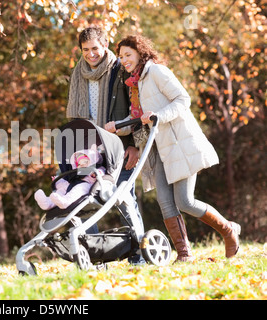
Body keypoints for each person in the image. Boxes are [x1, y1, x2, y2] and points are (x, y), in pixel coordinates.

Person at [115, 34, 240, 261]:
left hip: (179, 143)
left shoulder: (156, 72)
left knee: (185, 201)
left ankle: (228, 230)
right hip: (157, 148)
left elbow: (183, 99)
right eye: (121, 56)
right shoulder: (135, 83)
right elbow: (137, 118)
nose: (124, 59)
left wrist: (159, 116)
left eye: (128, 54)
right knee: (165, 202)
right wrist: (116, 127)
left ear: (140, 52)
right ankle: (184, 254)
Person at [66, 26, 145, 264]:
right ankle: (95, 256)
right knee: (86, 201)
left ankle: (139, 255)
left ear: (106, 44)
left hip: (119, 145)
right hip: (89, 149)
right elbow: (75, 118)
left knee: (123, 198)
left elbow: (135, 109)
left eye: (95, 48)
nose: (91, 54)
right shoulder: (78, 74)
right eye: (85, 49)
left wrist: (134, 145)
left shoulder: (121, 70)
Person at [35, 147, 105, 210]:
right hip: (73, 183)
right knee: (63, 188)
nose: (81, 165)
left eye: (85, 162)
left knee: (77, 189)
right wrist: (57, 180)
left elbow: (101, 173)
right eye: (79, 164)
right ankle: (47, 203)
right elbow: (70, 181)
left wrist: (95, 174)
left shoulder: (97, 169)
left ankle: (65, 202)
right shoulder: (78, 173)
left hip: (86, 185)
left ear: (92, 161)